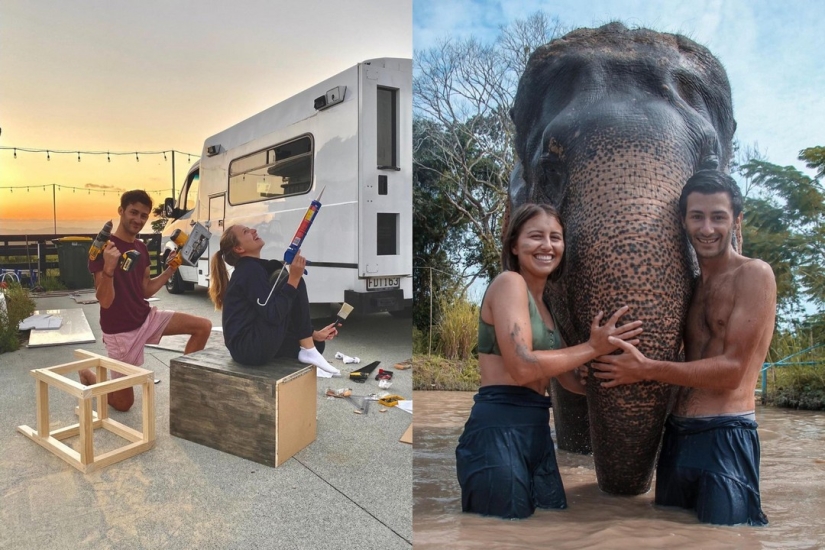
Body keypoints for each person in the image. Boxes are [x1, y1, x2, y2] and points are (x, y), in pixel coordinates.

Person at [591, 170, 775, 526]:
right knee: (668, 536)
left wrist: (647, 369)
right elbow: (676, 356)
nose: (707, 228)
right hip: (677, 439)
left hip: (726, 436)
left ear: (736, 220)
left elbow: (731, 371)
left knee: (724, 539)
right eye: (697, 217)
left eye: (718, 217)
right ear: (683, 221)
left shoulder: (754, 275)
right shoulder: (690, 287)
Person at [455, 203, 643, 519]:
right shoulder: (509, 283)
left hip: (536, 432)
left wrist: (626, 374)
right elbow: (523, 367)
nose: (547, 246)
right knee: (502, 536)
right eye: (535, 236)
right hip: (499, 429)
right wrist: (593, 348)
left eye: (555, 237)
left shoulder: (546, 306)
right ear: (514, 245)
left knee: (544, 527)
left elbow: (568, 379)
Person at [81, 190, 213, 411]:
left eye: (144, 215)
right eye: (133, 212)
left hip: (146, 318)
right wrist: (109, 269)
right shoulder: (105, 249)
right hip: (120, 331)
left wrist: (171, 269)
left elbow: (145, 290)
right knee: (124, 404)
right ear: (121, 211)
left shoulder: (141, 247)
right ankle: (92, 378)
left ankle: (186, 388)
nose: (138, 220)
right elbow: (105, 301)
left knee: (203, 326)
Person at [208, 224, 341, 377]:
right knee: (290, 282)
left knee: (318, 343)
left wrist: (313, 334)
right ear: (239, 248)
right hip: (248, 349)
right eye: (246, 232)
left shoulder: (254, 267)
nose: (253, 231)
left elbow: (272, 307)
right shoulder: (249, 271)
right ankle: (308, 349)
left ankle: (310, 346)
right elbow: (273, 313)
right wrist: (294, 278)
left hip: (248, 348)